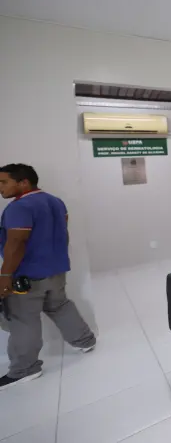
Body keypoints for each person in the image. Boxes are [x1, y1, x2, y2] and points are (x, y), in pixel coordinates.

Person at [0, 164, 96, 389]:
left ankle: (25, 369)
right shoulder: (55, 202)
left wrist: (5, 275)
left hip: (27, 275)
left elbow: (17, 243)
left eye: (4, 182)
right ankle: (85, 341)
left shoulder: (19, 207)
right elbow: (62, 233)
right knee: (59, 305)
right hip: (56, 268)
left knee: (23, 319)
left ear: (23, 182)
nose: (0, 187)